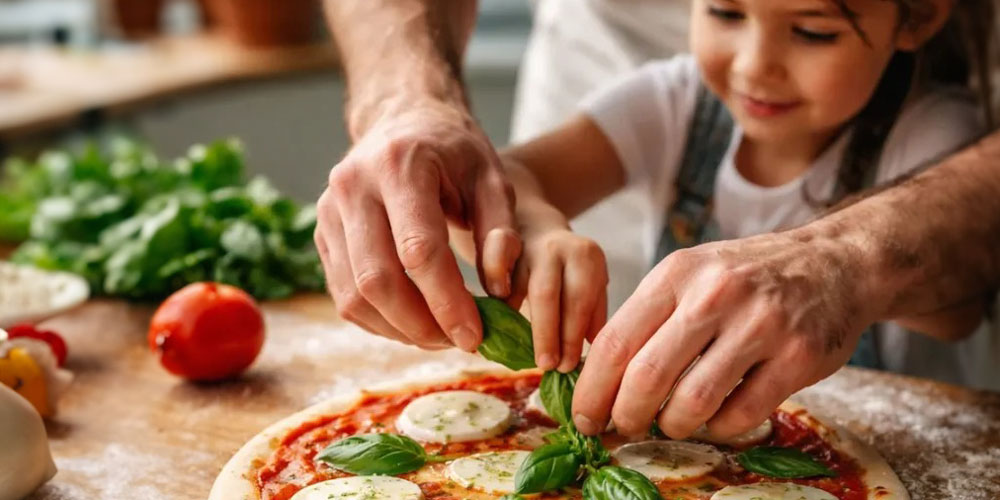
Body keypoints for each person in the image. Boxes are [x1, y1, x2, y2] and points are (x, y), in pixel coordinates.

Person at [317, 0, 1000, 440]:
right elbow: (503, 184)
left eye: (813, 31)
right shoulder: (676, 99)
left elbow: (956, 313)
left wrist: (842, 274)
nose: (755, 66)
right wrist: (539, 227)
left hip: (866, 438)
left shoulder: (936, 136)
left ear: (914, 19)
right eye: (724, 13)